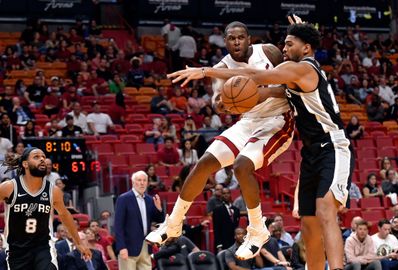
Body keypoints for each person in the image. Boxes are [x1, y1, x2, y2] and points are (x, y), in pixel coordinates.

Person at [168, 20, 354, 270]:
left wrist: (205, 71)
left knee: (325, 211)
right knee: (308, 222)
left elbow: (254, 76)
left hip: (332, 145)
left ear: (306, 48)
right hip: (310, 152)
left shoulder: (303, 69)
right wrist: (230, 101)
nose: (284, 48)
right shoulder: (291, 76)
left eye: (289, 44)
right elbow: (260, 92)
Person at [147, 21, 293, 262]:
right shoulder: (221, 67)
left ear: (249, 39)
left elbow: (292, 86)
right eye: (231, 38)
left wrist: (260, 93)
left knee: (242, 166)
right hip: (248, 121)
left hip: (277, 120)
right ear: (225, 42)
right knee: (204, 163)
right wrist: (225, 102)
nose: (236, 42)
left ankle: (257, 229)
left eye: (240, 37)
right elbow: (219, 103)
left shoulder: (268, 51)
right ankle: (173, 223)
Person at [0, 148, 91, 269]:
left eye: (43, 156)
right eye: (36, 157)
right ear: (25, 164)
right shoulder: (9, 187)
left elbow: (65, 215)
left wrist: (78, 243)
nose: (42, 159)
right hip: (16, 249)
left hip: (43, 247)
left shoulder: (53, 191)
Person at [114, 171, 165, 270]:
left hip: (145, 247)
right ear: (133, 183)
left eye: (144, 180)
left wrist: (159, 209)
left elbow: (159, 221)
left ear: (147, 183)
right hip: (128, 247)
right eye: (139, 180)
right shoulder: (124, 199)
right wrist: (121, 247)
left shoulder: (150, 200)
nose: (142, 183)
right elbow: (118, 225)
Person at [212, 187, 240, 252]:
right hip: (223, 242)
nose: (226, 195)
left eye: (228, 193)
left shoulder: (236, 210)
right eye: (224, 193)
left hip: (234, 242)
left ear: (230, 194)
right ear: (221, 195)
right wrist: (219, 245)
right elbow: (216, 229)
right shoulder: (217, 210)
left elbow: (236, 227)